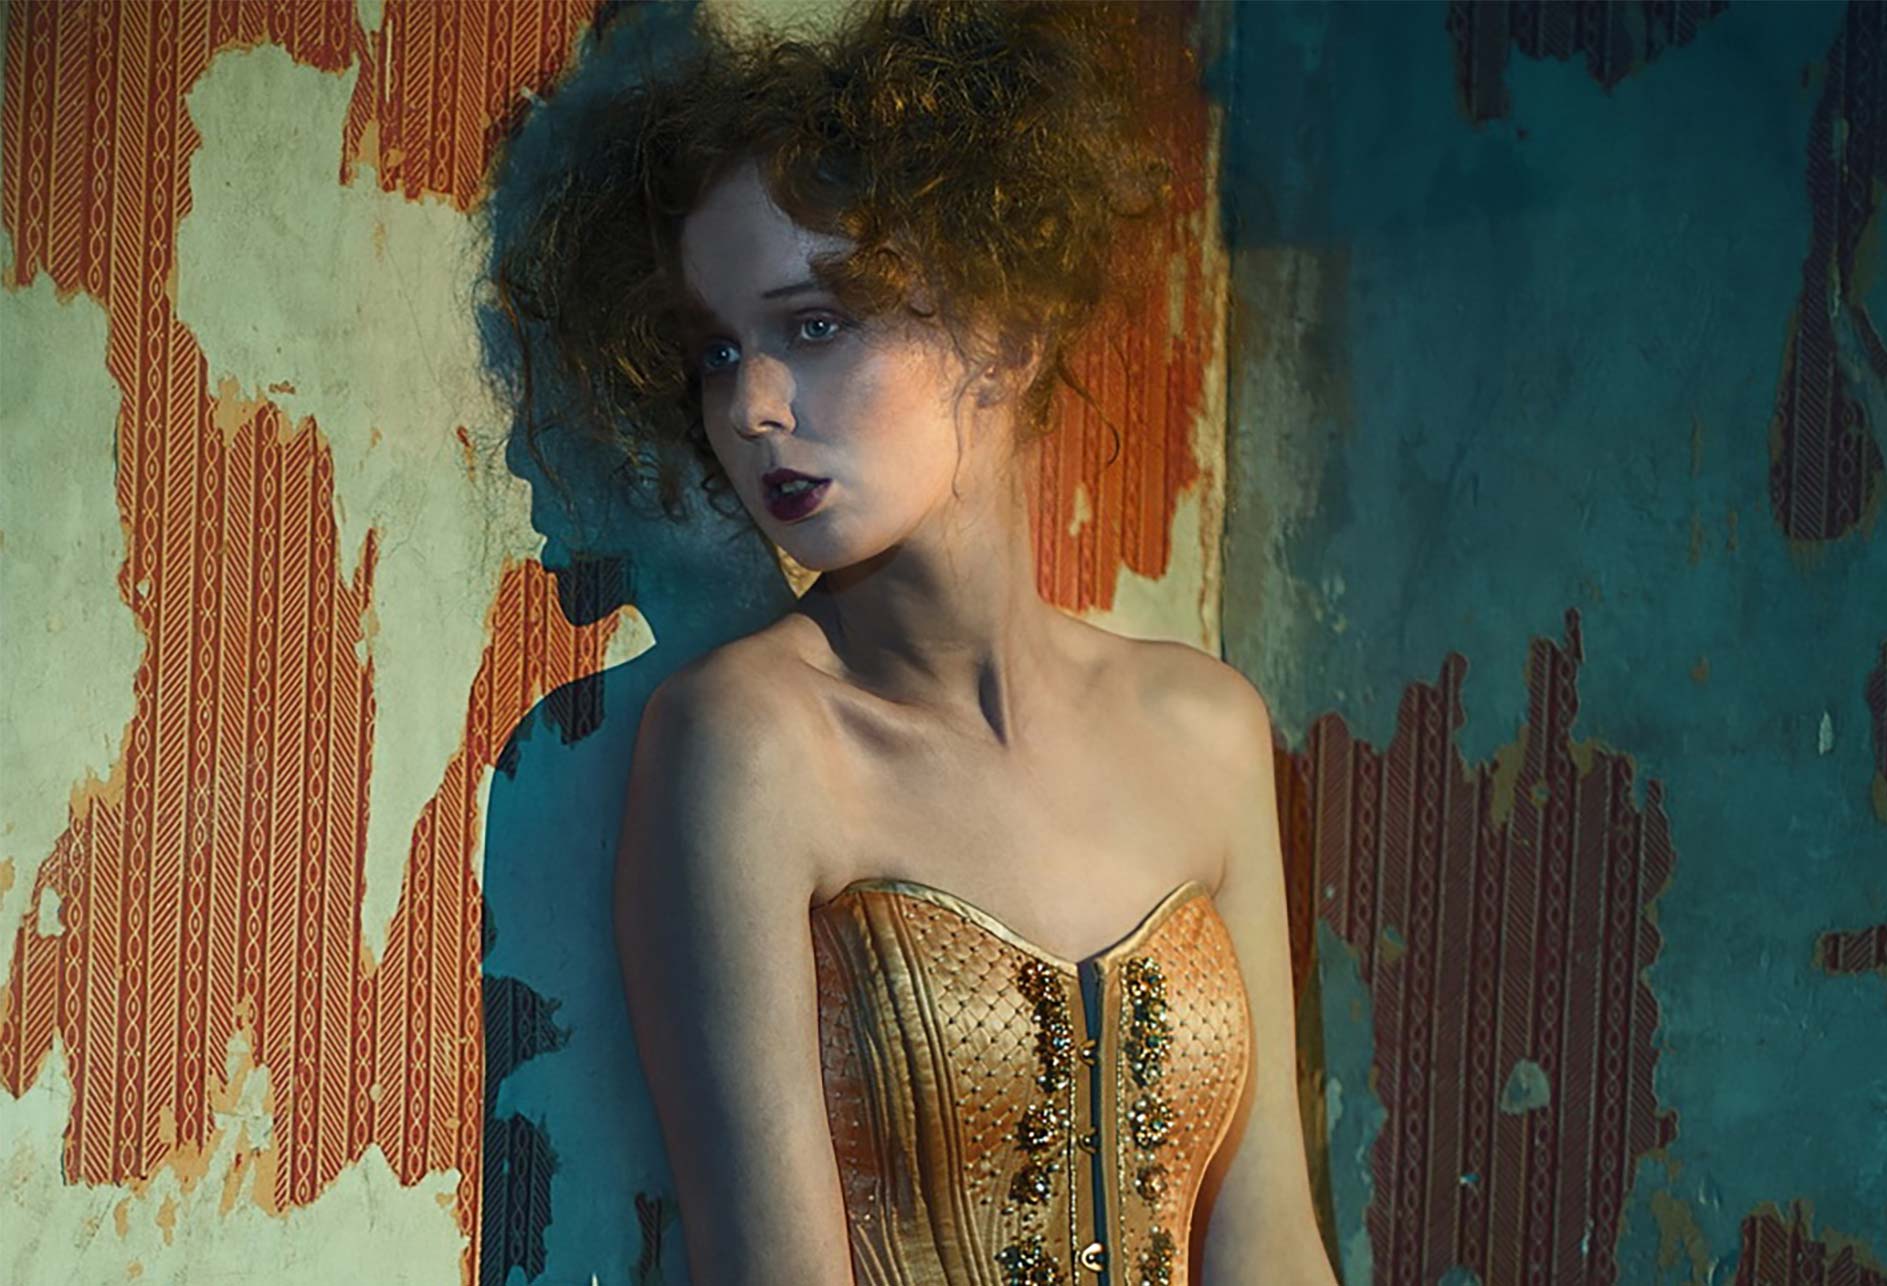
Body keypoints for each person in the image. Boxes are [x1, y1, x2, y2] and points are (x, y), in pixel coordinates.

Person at [495, 2, 1339, 1281]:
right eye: (716, 351)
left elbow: (1271, 1241)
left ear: (1004, 333)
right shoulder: (749, 743)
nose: (751, 404)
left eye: (815, 324)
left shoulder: (1207, 729)